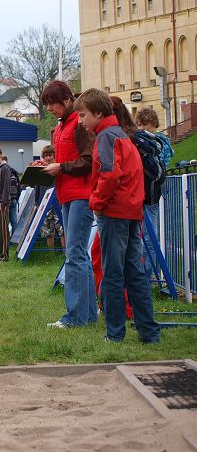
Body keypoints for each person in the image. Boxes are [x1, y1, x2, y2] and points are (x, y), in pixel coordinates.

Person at [74, 88, 160, 343]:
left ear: (98, 113)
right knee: (135, 272)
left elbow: (109, 174)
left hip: (114, 211)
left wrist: (96, 202)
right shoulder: (121, 134)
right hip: (132, 210)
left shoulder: (105, 137)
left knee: (112, 273)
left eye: (83, 115)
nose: (80, 120)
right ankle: (149, 332)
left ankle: (114, 333)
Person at [42, 80, 98, 329]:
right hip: (67, 193)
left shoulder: (79, 123)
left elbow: (89, 160)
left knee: (74, 254)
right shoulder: (62, 125)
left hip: (81, 195)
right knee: (78, 255)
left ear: (66, 101)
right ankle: (87, 315)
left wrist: (61, 167)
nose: (49, 109)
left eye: (51, 104)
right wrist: (51, 167)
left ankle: (74, 317)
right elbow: (69, 158)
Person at [135, 107, 173, 279]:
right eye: (140, 125)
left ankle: (147, 275)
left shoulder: (156, 142)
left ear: (154, 125)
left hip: (150, 193)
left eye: (145, 125)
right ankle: (145, 274)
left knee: (149, 237)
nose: (142, 128)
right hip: (147, 193)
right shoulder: (153, 141)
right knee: (144, 236)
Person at [34, 145, 65, 250]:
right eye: (46, 156)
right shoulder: (41, 170)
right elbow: (37, 186)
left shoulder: (58, 168)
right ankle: (50, 253)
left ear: (54, 156)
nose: (48, 158)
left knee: (62, 229)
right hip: (44, 203)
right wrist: (37, 202)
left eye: (50, 155)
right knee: (47, 231)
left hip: (57, 202)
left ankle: (65, 252)